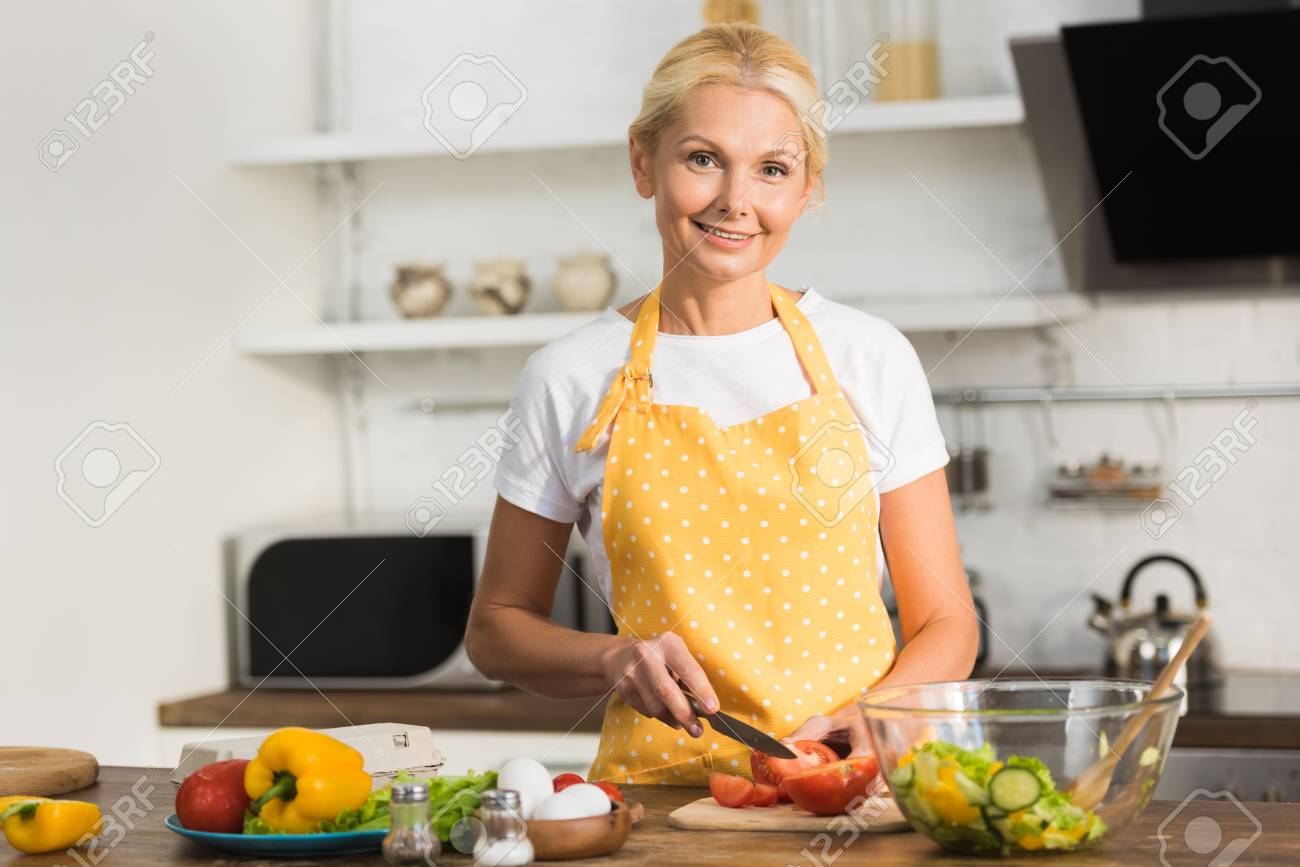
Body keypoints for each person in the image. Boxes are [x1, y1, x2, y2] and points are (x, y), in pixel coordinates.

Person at [466, 21, 977, 785]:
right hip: (659, 806)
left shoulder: (870, 357)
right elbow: (495, 629)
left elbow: (948, 622)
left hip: (851, 787)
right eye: (703, 159)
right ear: (644, 163)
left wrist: (879, 713)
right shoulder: (569, 376)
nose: (736, 201)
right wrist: (613, 656)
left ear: (808, 189)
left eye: (772, 168)